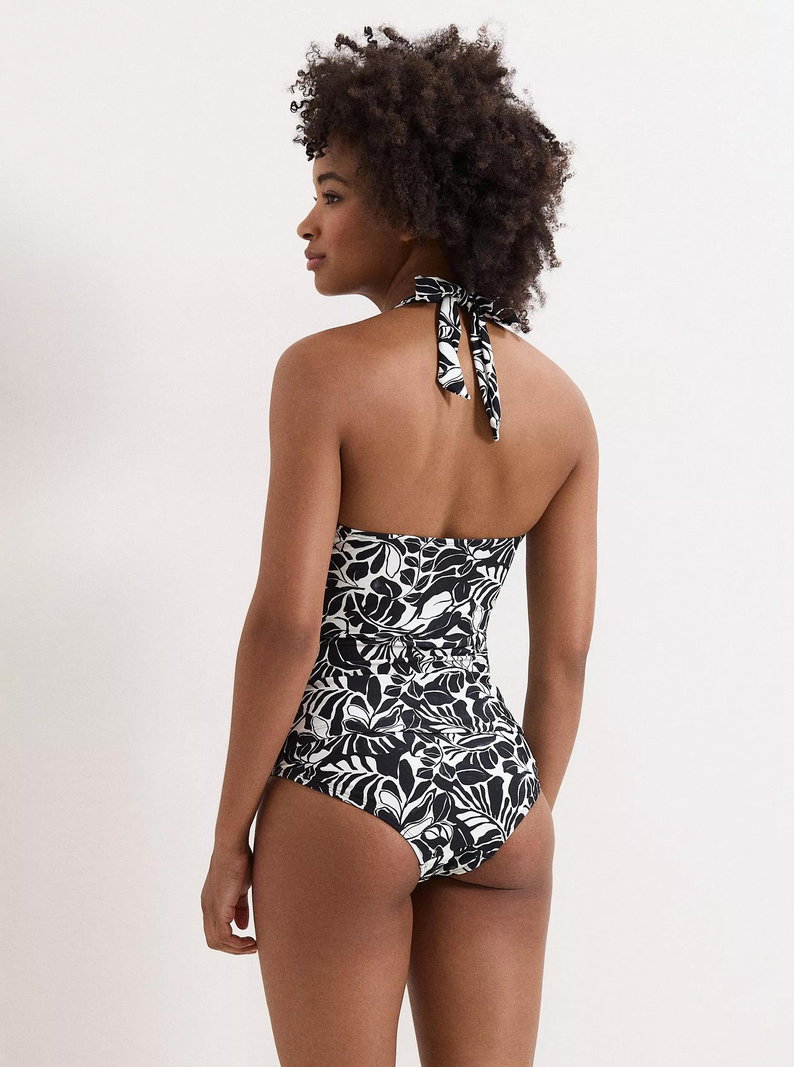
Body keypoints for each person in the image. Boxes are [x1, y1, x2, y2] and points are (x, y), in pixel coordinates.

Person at [201, 22, 597, 1066]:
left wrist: (230, 833)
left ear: (415, 210)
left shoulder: (322, 373)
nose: (307, 222)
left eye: (332, 194)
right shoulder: (562, 407)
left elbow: (286, 626)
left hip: (344, 780)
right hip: (495, 785)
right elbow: (562, 657)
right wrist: (513, 811)